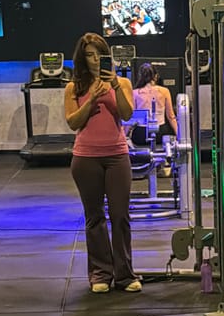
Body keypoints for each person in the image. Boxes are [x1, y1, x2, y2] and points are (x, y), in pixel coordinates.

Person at [64, 32, 142, 294]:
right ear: (82, 59)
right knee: (94, 217)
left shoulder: (122, 82)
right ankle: (100, 273)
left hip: (116, 156)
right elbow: (73, 122)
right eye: (89, 55)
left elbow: (127, 113)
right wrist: (92, 99)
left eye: (99, 54)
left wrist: (115, 88)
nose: (95, 60)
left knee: (120, 215)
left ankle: (124, 274)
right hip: (86, 158)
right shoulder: (74, 87)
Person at [132, 62, 178, 142]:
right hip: (160, 132)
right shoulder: (164, 91)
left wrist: (124, 136)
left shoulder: (135, 93)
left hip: (141, 133)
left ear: (140, 77)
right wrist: (179, 136)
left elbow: (133, 118)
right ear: (156, 76)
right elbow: (171, 116)